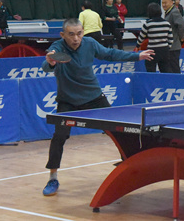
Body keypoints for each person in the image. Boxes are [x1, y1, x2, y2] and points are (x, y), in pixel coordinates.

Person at [40, 18, 154, 197]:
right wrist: (50, 62)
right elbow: (47, 65)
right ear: (63, 35)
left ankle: (129, 166)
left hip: (93, 96)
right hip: (68, 100)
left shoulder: (90, 43)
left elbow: (110, 54)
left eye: (79, 33)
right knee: (59, 136)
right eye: (71, 34)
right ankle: (53, 178)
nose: (76, 38)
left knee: (118, 129)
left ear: (83, 32)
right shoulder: (58, 47)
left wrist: (136, 56)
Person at [135, 2, 173, 72]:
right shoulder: (167, 23)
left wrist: (137, 46)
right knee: (165, 71)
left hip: (152, 50)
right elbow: (171, 39)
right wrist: (167, 48)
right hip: (164, 50)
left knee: (150, 70)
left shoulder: (148, 24)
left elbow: (141, 37)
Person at [162, 0, 184, 73]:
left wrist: (180, 37)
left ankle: (178, 80)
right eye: (162, 3)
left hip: (174, 46)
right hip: (169, 46)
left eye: (165, 3)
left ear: (171, 2)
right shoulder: (168, 12)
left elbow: (182, 25)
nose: (163, 5)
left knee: (174, 67)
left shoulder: (174, 12)